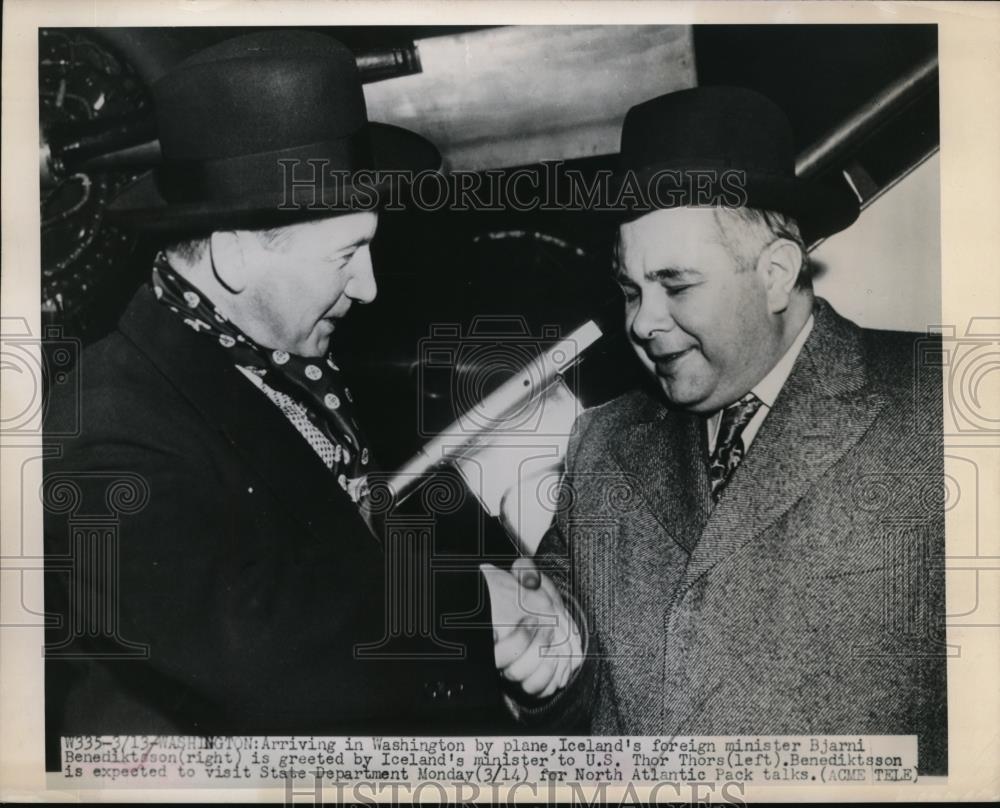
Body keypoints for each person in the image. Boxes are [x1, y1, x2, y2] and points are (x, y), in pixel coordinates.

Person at [43, 31, 504, 746]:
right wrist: (479, 608)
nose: (370, 287)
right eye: (345, 254)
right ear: (232, 258)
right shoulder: (101, 423)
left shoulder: (291, 353)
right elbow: (260, 656)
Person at [485, 86, 947, 775]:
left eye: (676, 285)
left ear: (775, 274)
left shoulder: (942, 406)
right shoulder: (601, 444)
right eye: (631, 289)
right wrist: (543, 664)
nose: (642, 321)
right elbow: (573, 687)